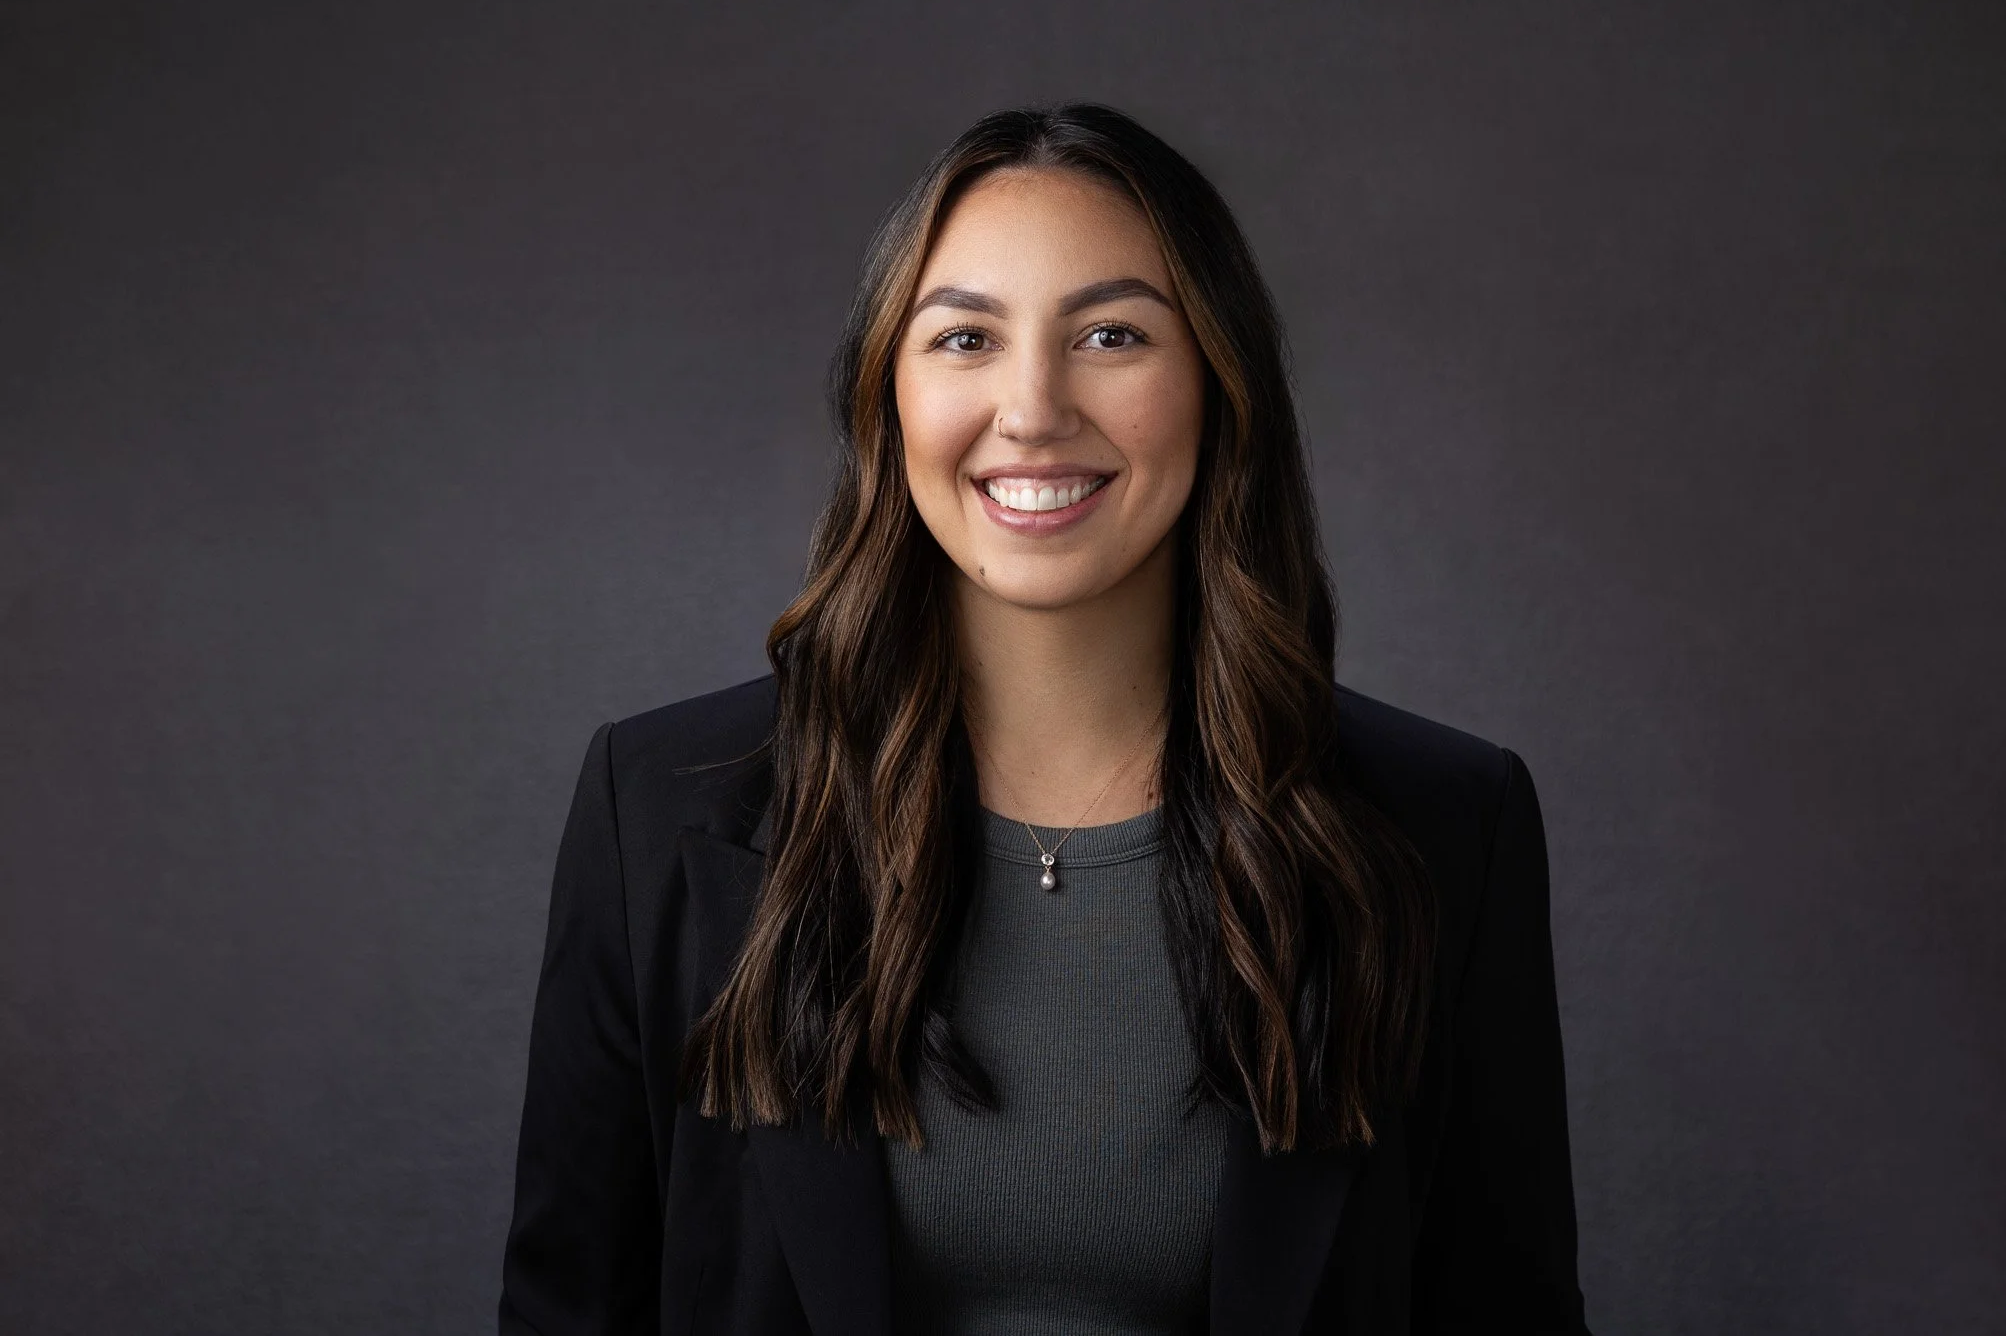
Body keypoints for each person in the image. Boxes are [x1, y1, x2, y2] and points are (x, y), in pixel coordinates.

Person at [498, 102, 1590, 1336]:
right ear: (886, 398)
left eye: (1112, 334)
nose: (1031, 407)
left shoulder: (1443, 827)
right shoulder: (659, 812)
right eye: (963, 337)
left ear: (1218, 384)